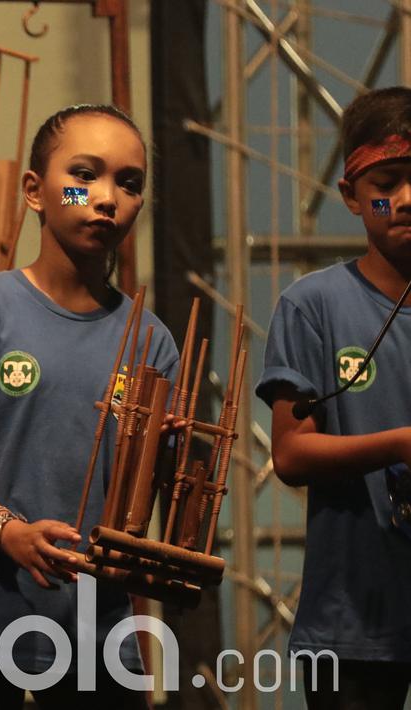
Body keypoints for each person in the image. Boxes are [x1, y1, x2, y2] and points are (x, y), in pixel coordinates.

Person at [0, 104, 175, 708]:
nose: (105, 197)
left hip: (96, 633)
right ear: (35, 190)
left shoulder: (151, 339)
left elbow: (145, 500)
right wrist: (9, 533)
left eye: (128, 183)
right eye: (84, 175)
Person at [258, 86, 411, 709]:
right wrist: (401, 443)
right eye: (388, 181)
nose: (405, 198)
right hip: (350, 624)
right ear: (351, 195)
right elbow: (291, 456)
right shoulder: (313, 304)